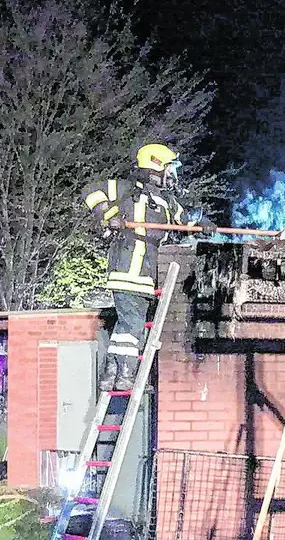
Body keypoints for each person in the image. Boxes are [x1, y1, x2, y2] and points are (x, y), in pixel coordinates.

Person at [81, 143, 215, 390]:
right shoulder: (124, 189)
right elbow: (91, 191)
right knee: (132, 325)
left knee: (126, 325)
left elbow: (186, 219)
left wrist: (203, 222)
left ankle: (111, 375)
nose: (172, 175)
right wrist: (109, 216)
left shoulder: (165, 201)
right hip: (125, 268)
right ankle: (126, 375)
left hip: (145, 274)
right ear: (155, 167)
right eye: (169, 169)